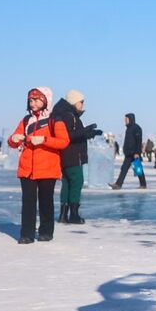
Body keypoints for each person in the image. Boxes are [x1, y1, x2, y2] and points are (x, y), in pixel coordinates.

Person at [8, 86, 69, 244]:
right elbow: (13, 141)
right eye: (30, 100)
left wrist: (44, 140)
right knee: (28, 202)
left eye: (36, 100)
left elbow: (64, 141)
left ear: (46, 101)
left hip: (48, 168)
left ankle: (46, 231)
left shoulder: (54, 120)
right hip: (27, 168)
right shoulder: (26, 120)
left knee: (45, 201)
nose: (33, 103)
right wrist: (13, 139)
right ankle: (26, 234)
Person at [52, 89, 102, 225]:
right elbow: (68, 136)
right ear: (74, 101)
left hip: (66, 156)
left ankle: (63, 214)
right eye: (81, 102)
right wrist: (86, 131)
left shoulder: (65, 114)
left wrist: (88, 133)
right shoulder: (69, 116)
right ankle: (73, 214)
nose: (83, 105)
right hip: (73, 156)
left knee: (67, 183)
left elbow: (73, 134)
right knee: (76, 182)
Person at [110, 113, 146, 189]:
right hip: (128, 153)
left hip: (134, 153)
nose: (125, 120)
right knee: (124, 169)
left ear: (130, 119)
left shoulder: (136, 128)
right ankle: (118, 184)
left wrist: (137, 152)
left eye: (126, 119)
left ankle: (143, 184)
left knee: (138, 169)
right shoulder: (128, 129)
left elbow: (138, 141)